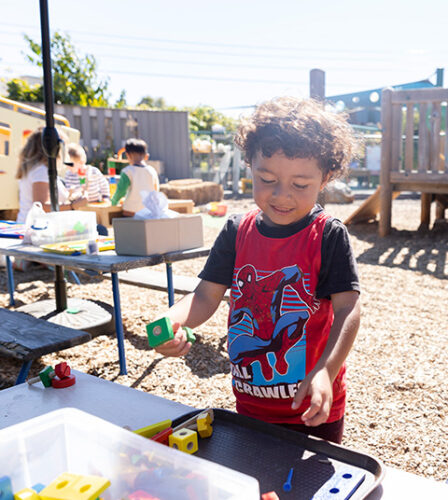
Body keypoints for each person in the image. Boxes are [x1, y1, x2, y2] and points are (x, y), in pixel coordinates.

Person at [152, 97, 361, 444]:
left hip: (313, 407)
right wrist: (174, 320)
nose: (282, 196)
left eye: (300, 185)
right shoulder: (237, 231)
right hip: (251, 403)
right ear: (250, 165)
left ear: (325, 178)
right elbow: (205, 295)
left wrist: (327, 369)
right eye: (266, 178)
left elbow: (348, 308)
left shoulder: (327, 235)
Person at [16, 128, 86, 224]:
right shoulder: (41, 171)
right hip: (37, 229)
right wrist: (73, 206)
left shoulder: (37, 169)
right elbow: (41, 207)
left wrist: (71, 199)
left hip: (35, 227)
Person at [110, 138, 159, 216]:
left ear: (127, 155)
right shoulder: (152, 171)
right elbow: (156, 190)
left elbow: (121, 191)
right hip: (149, 211)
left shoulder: (127, 171)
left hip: (131, 212)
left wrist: (114, 202)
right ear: (146, 156)